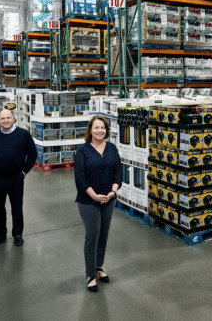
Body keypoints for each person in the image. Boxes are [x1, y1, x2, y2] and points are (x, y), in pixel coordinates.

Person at [74, 115, 121, 293]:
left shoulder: (112, 148)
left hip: (109, 199)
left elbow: (118, 172)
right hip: (88, 200)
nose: (100, 130)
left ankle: (98, 266)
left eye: (103, 128)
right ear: (90, 130)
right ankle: (90, 274)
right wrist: (94, 196)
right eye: (96, 128)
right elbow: (80, 178)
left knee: (103, 234)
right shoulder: (83, 151)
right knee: (92, 235)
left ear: (106, 130)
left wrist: (113, 192)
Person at [0, 108, 38, 248]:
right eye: (2, 118)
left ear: (13, 119)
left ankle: (18, 234)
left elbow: (33, 154)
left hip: (16, 178)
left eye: (8, 118)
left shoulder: (23, 135)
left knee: (17, 207)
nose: (6, 121)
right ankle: (0, 235)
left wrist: (24, 172)